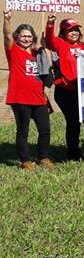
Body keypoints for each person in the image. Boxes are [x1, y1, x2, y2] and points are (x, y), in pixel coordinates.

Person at [44, 14, 84, 161]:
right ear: (63, 33)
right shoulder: (60, 44)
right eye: (70, 30)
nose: (75, 32)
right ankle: (73, 153)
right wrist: (50, 24)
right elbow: (49, 40)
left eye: (76, 29)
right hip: (66, 91)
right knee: (73, 122)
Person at [4, 9, 52, 170]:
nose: (26, 38)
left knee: (45, 129)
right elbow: (6, 35)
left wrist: (44, 49)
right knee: (23, 131)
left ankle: (43, 157)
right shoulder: (13, 50)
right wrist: (7, 20)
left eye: (29, 36)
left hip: (38, 98)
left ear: (33, 38)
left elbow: (47, 68)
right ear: (17, 36)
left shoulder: (37, 53)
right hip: (20, 98)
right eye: (23, 35)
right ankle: (25, 161)